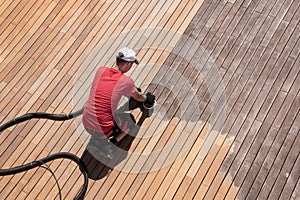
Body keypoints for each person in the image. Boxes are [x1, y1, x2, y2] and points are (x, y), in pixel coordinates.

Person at [82, 47, 155, 159]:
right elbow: (137, 97)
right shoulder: (126, 81)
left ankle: (98, 139)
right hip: (103, 128)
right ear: (127, 65)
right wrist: (147, 99)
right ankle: (109, 144)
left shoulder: (101, 71)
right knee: (130, 121)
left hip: (86, 122)